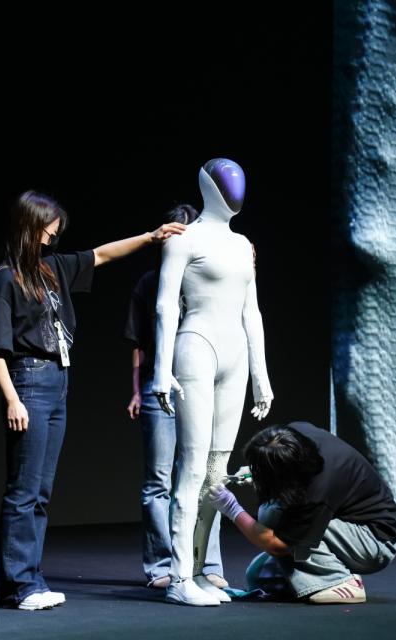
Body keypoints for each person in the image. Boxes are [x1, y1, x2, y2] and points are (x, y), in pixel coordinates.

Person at [0, 190, 185, 610]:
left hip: (58, 380)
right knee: (23, 490)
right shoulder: (7, 277)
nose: (53, 236)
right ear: (29, 226)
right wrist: (13, 400)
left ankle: (30, 580)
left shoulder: (53, 268)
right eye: (48, 228)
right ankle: (18, 586)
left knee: (41, 492)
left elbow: (103, 254)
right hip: (29, 381)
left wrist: (151, 237)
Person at [151, 158, 274, 606]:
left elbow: (251, 312)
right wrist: (161, 368)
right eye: (227, 184)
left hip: (235, 356)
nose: (235, 192)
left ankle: (202, 571)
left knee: (216, 474)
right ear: (208, 187)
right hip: (197, 347)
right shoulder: (185, 239)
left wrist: (261, 374)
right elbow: (166, 306)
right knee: (191, 466)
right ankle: (179, 577)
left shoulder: (242, 245)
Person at [124, 204, 230, 590]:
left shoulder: (212, 276)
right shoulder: (151, 282)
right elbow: (138, 342)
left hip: (202, 383)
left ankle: (206, 563)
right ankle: (162, 566)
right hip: (160, 386)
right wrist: (137, 390)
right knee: (158, 479)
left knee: (206, 475)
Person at [207, 421, 396, 604]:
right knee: (258, 576)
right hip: (344, 520)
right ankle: (315, 577)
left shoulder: (317, 491)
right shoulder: (296, 433)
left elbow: (278, 545)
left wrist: (233, 509)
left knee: (273, 518)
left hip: (374, 542)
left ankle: (340, 581)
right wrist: (258, 470)